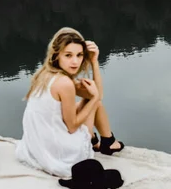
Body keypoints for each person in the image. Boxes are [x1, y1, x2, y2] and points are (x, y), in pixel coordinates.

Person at [15, 27, 125, 178]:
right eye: (68, 55)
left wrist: (93, 61)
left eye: (79, 55)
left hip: (38, 146)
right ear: (57, 55)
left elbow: (97, 93)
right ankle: (108, 141)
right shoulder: (64, 83)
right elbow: (73, 126)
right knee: (94, 102)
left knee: (93, 100)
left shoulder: (46, 74)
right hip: (60, 152)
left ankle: (103, 141)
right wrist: (92, 99)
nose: (75, 61)